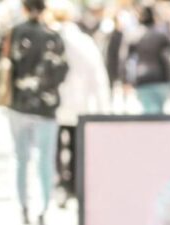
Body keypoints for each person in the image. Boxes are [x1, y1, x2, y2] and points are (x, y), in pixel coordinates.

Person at [0, 0, 69, 225]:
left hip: (18, 104)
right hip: (45, 108)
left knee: (20, 156)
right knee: (44, 160)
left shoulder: (13, 33)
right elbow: (62, 71)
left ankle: (22, 206)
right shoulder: (53, 36)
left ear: (24, 8)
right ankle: (42, 210)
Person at [51, 0, 110, 207]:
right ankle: (74, 185)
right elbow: (98, 76)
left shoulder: (51, 38)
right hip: (79, 104)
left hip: (55, 104)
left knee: (56, 146)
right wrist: (103, 107)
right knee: (76, 146)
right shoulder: (83, 41)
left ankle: (60, 184)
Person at [128, 5, 170, 114]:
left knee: (149, 113)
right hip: (159, 78)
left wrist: (126, 79)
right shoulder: (161, 35)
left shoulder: (135, 35)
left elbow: (126, 59)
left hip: (143, 79)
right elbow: (167, 57)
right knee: (157, 114)